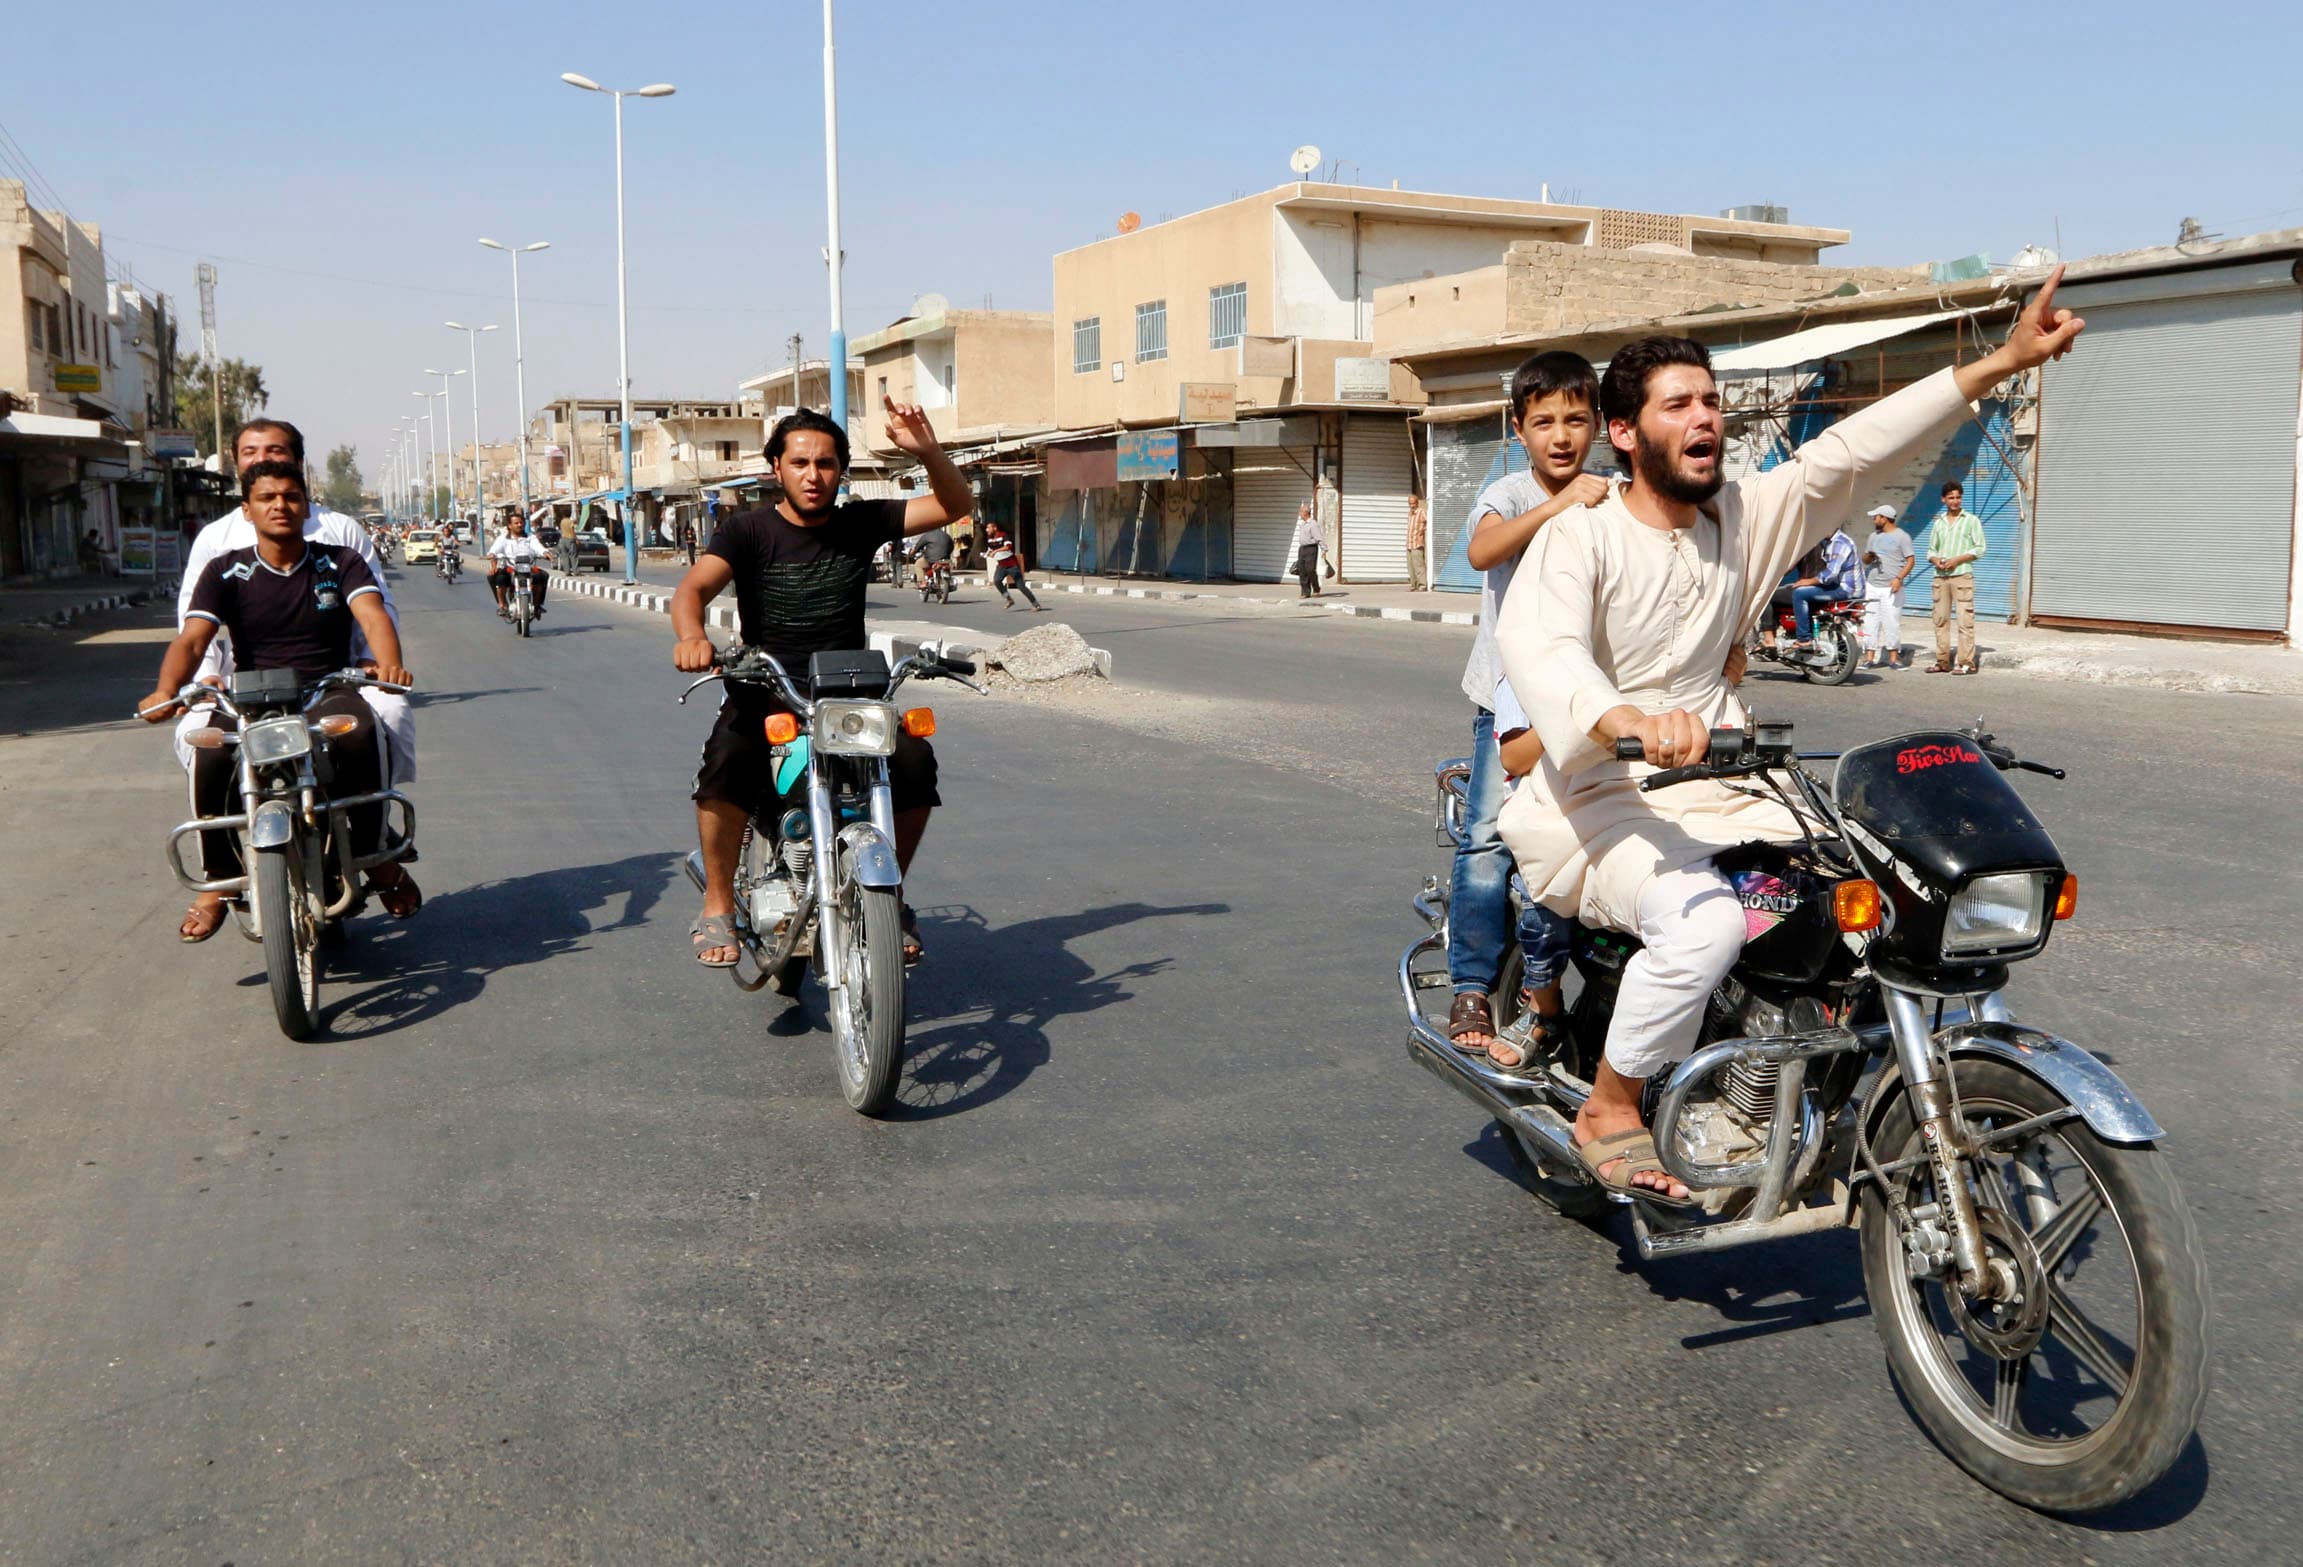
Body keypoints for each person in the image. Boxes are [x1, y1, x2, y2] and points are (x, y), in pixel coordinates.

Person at [1496, 270, 2084, 1201]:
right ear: (1624, 432)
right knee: (1705, 925)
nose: (1704, 419)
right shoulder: (1581, 536)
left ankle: (1781, 1081)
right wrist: (1625, 720)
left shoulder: (1741, 516)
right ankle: (1611, 1104)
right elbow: (1545, 648)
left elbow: (1847, 452)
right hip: (1602, 796)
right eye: (1678, 404)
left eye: (1712, 402)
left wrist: (1997, 365)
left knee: (1862, 904)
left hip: (1728, 782)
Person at [672, 400, 971, 968]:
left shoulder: (862, 522)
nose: (814, 475)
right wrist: (691, 636)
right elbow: (692, 592)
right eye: (801, 462)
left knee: (910, 760)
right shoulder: (746, 531)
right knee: (728, 757)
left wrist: (929, 451)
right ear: (777, 469)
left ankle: (890, 896)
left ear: (841, 471)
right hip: (767, 685)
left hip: (848, 690)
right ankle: (717, 905)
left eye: (827, 463)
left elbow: (955, 505)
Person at [140, 462, 419, 942]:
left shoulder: (339, 562)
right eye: (267, 498)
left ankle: (376, 858)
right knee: (207, 751)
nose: (280, 505)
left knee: (361, 735)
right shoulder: (225, 569)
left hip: (325, 688)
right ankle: (218, 884)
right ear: (247, 510)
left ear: (306, 508)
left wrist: (389, 665)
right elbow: (191, 640)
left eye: (291, 497)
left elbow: (373, 617)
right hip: (251, 697)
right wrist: (166, 691)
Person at [1444, 352, 1609, 1062]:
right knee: (1485, 838)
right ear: (1519, 430)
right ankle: (1472, 981)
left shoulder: (1613, 493)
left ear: (1599, 424)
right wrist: (1555, 504)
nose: (1561, 435)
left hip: (1588, 700)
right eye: (1543, 422)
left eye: (1575, 419)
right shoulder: (1511, 491)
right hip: (1509, 700)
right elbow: (1481, 552)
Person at [179, 420, 414, 786]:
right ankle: (214, 837)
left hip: (337, 676)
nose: (279, 507)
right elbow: (193, 625)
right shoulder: (215, 541)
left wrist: (377, 661)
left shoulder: (341, 533)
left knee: (385, 720)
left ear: (297, 462)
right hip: (240, 684)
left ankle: (380, 825)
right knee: (200, 742)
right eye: (249, 452)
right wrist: (203, 675)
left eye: (274, 451)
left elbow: (376, 608)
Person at [1925, 480, 1987, 674]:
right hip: (1940, 576)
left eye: (1958, 497)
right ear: (1944, 499)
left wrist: (1958, 560)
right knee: (1940, 620)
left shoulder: (1971, 520)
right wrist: (1936, 560)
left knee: (1964, 620)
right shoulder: (1939, 523)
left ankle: (1966, 662)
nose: (1955, 501)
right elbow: (1931, 550)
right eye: (1951, 497)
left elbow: (1980, 548)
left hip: (1962, 576)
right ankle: (1942, 661)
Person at [1860, 503, 1915, 669]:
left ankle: (1893, 658)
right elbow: (1865, 560)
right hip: (1873, 584)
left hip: (1892, 586)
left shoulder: (1902, 537)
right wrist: (1869, 556)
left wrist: (1899, 578)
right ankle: (1869, 657)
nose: (1874, 520)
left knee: (1891, 622)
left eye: (1876, 517)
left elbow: (1911, 560)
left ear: (1884, 518)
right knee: (1870, 621)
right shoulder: (1873, 537)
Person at [487, 513, 552, 619]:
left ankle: (537, 605)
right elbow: (495, 549)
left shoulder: (530, 537)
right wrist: (492, 554)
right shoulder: (503, 538)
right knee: (496, 577)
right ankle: (502, 605)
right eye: (516, 523)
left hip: (528, 568)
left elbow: (538, 547)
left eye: (521, 522)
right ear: (509, 525)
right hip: (510, 568)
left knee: (543, 576)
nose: (519, 525)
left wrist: (545, 553)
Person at [985, 524, 1044, 610]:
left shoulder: (1003, 535)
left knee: (1021, 586)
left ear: (995, 528)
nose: (987, 530)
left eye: (988, 528)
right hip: (1001, 566)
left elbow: (1008, 546)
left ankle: (1036, 604)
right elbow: (990, 550)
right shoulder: (990, 539)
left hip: (1012, 565)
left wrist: (995, 551)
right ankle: (1009, 599)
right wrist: (987, 554)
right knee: (997, 581)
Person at [1292, 503, 1323, 598]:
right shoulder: (1302, 524)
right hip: (1302, 548)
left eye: (1300, 511)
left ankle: (1316, 588)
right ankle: (1305, 592)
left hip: (1311, 548)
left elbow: (1318, 538)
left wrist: (1324, 549)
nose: (1299, 514)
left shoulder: (1313, 524)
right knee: (1302, 570)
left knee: (1310, 570)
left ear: (1305, 512)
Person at [1405, 494, 1429, 591]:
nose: (1412, 505)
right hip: (1410, 544)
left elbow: (1428, 522)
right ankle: (1413, 585)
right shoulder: (1410, 513)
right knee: (1410, 566)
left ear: (1417, 503)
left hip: (1417, 543)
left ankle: (1422, 585)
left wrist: (1423, 531)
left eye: (1413, 503)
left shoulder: (1421, 512)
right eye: (1410, 504)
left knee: (1419, 565)